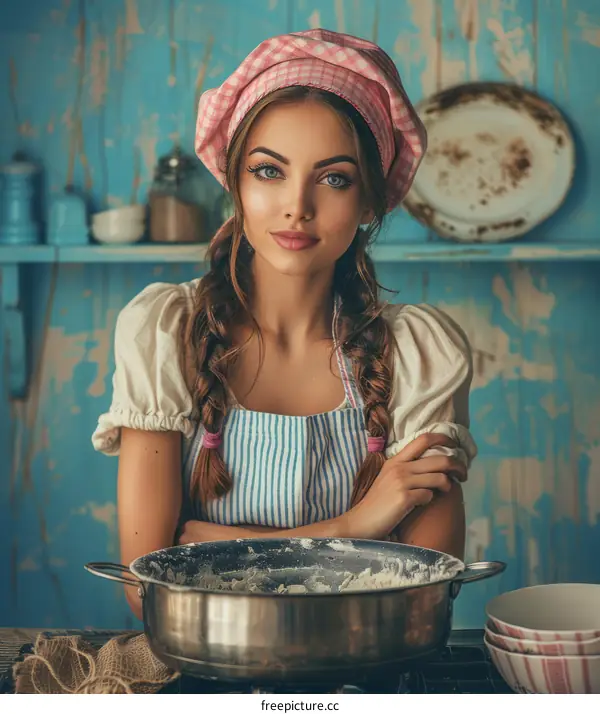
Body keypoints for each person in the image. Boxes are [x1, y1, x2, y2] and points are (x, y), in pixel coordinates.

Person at [92, 29, 477, 620]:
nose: (297, 204)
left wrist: (214, 545)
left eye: (334, 178)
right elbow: (148, 589)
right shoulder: (166, 333)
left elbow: (419, 602)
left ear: (370, 202)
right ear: (236, 183)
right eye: (269, 171)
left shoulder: (418, 353)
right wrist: (354, 526)